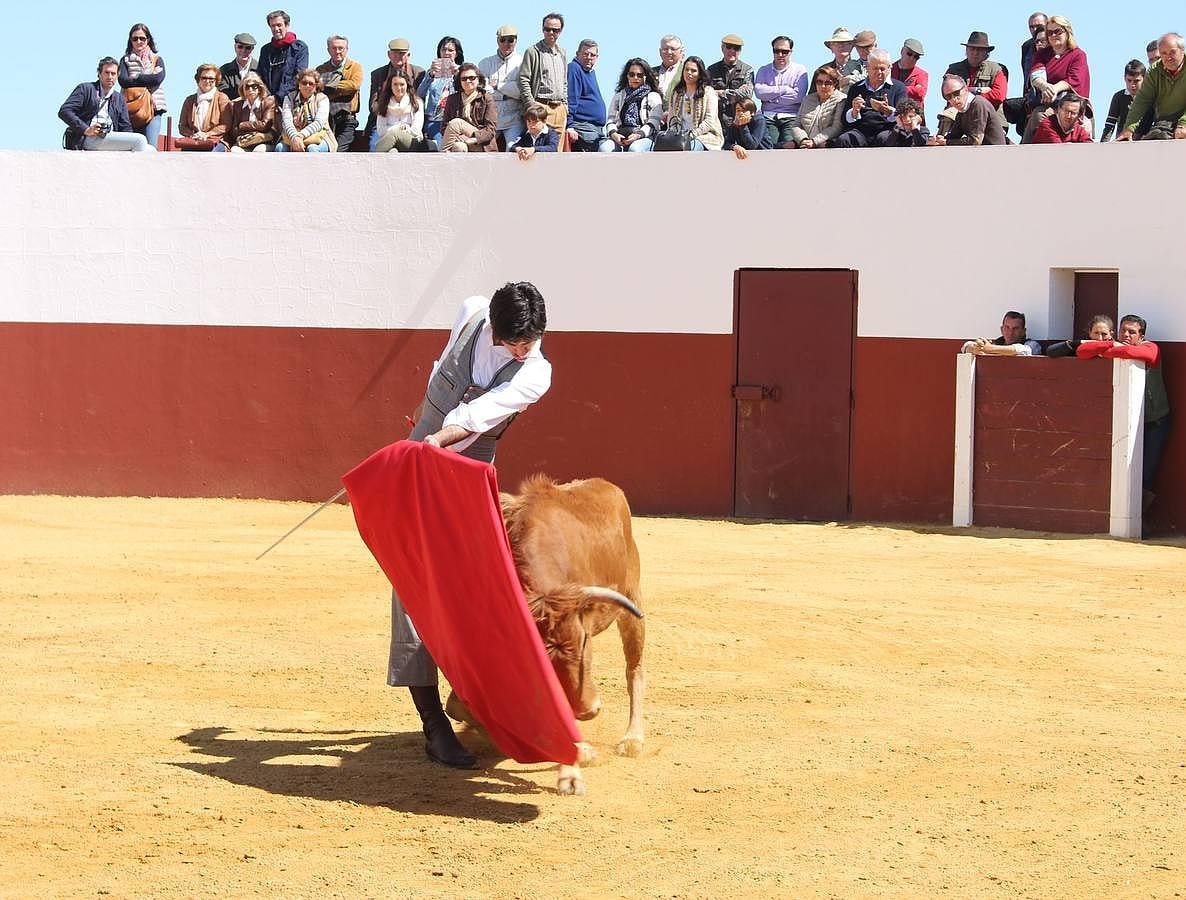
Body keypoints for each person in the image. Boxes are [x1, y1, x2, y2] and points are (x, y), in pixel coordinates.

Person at [390, 283, 551, 769]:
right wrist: (419, 430)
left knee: (485, 589)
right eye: (513, 342)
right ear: (494, 329)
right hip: (417, 469)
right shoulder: (473, 311)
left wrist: (432, 441)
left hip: (464, 479)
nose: (523, 350)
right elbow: (443, 372)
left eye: (530, 341)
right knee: (412, 587)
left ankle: (489, 700)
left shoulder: (537, 374)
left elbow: (474, 417)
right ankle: (433, 723)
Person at [1076, 315, 1170, 505]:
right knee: (1123, 469)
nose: (1126, 335)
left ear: (1141, 336)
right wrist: (1111, 346)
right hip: (1127, 420)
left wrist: (1111, 348)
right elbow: (1082, 351)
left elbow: (1144, 355)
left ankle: (1139, 519)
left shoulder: (1150, 347)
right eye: (1123, 331)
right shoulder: (1116, 346)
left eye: (1132, 332)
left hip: (1154, 420)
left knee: (1146, 472)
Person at [58, 57, 154, 151]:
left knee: (151, 150)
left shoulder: (119, 98)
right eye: (106, 73)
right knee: (140, 140)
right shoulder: (85, 89)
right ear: (99, 74)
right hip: (86, 138)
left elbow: (125, 127)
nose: (110, 77)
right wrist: (86, 129)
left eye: (113, 74)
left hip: (110, 137)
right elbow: (64, 111)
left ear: (117, 76)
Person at [1025, 15, 1091, 142]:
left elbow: (1074, 78)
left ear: (1067, 32)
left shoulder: (1078, 55)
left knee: (1084, 126)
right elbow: (1036, 74)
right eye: (1050, 32)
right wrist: (1045, 86)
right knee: (1039, 115)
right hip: (1046, 103)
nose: (1053, 35)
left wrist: (1055, 89)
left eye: (1058, 31)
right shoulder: (1042, 54)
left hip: (1072, 105)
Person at [1117, 33, 1186, 142]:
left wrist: (1183, 124)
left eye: (1172, 52)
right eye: (1164, 53)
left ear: (1182, 50)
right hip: (1165, 123)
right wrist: (1129, 128)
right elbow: (1142, 100)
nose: (1168, 57)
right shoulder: (1154, 70)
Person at [835, 49, 905, 147]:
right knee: (845, 139)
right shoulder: (856, 88)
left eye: (882, 68)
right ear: (867, 68)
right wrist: (854, 111)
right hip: (861, 132)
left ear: (889, 68)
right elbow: (845, 120)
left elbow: (904, 118)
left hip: (887, 130)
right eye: (875, 68)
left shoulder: (898, 88)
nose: (879, 72)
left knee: (885, 138)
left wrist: (888, 111)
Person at [365, 39, 426, 143]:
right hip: (383, 124)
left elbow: (420, 102)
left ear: (408, 55)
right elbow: (373, 104)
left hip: (411, 124)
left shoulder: (419, 73)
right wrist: (387, 109)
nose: (398, 56)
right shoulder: (378, 74)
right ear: (389, 54)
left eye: (402, 53)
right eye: (394, 53)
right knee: (375, 145)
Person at [754, 36, 809, 148]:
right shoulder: (763, 70)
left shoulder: (800, 70)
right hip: (768, 117)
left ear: (791, 52)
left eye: (784, 51)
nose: (780, 54)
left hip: (791, 116)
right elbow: (759, 92)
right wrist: (784, 89)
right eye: (776, 51)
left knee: (789, 147)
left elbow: (798, 96)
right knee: (769, 148)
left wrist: (770, 98)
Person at [118, 23, 167, 150]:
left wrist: (137, 77)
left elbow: (157, 79)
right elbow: (123, 81)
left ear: (148, 39)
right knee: (130, 149)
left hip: (154, 109)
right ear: (130, 40)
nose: (138, 41)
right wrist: (148, 78)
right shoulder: (125, 60)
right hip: (131, 109)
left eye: (142, 38)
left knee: (150, 148)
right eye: (135, 38)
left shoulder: (157, 59)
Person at [519, 13, 569, 136]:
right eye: (547, 29)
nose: (551, 32)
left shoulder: (562, 53)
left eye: (555, 30)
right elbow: (523, 79)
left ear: (561, 31)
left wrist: (565, 106)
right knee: (540, 149)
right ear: (543, 30)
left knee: (558, 151)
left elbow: (564, 82)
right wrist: (532, 106)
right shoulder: (533, 51)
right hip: (541, 106)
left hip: (560, 109)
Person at [660, 56, 723, 151]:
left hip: (704, 137)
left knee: (689, 148)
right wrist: (675, 135)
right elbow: (671, 119)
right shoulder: (677, 93)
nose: (689, 73)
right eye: (686, 69)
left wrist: (692, 135)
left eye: (693, 71)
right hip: (679, 136)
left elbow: (709, 121)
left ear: (700, 74)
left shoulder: (709, 92)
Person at [478, 25, 524, 149]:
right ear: (497, 40)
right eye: (503, 40)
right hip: (491, 116)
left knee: (513, 149)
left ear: (516, 41)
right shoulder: (485, 63)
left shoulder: (522, 62)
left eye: (510, 40)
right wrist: (506, 92)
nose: (506, 43)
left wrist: (498, 85)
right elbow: (482, 90)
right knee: (484, 149)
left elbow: (521, 90)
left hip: (514, 116)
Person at [601, 59, 663, 152]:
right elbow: (611, 120)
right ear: (627, 76)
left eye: (639, 75)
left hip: (646, 136)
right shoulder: (619, 96)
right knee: (605, 148)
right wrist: (614, 134)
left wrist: (639, 134)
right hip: (621, 134)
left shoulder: (653, 96)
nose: (635, 78)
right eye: (631, 74)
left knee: (635, 149)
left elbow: (654, 122)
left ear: (645, 77)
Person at [927, 74, 1007, 145]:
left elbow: (975, 140)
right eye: (948, 96)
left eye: (956, 93)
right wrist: (937, 140)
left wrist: (946, 142)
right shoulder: (962, 110)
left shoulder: (978, 104)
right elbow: (954, 136)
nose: (954, 99)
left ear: (965, 89)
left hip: (995, 156)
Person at [316, 35, 363, 151]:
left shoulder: (355, 67)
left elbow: (354, 85)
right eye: (334, 48)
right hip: (325, 119)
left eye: (341, 48)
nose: (337, 51)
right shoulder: (321, 69)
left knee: (339, 151)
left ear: (346, 49)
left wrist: (329, 86)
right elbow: (316, 89)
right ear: (328, 50)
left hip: (347, 118)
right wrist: (342, 88)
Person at [418, 36, 464, 147]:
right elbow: (420, 94)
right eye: (443, 49)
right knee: (440, 144)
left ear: (457, 53)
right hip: (434, 120)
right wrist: (430, 75)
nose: (447, 53)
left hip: (454, 119)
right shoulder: (432, 72)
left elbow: (467, 91)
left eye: (451, 50)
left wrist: (457, 74)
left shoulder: (464, 71)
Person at [441, 64, 498, 152]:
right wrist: (458, 137)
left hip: (481, 144)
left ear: (478, 79)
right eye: (464, 79)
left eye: (472, 78)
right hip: (460, 139)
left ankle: (442, 157)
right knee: (459, 147)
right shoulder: (453, 99)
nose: (468, 81)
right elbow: (444, 126)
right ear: (459, 81)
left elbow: (490, 129)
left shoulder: (487, 98)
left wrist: (472, 139)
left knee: (457, 122)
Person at [371, 70, 431, 152]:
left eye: (402, 84)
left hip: (412, 142)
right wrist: (398, 127)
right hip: (389, 141)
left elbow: (416, 130)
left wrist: (402, 130)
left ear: (407, 85)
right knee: (392, 152)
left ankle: (374, 160)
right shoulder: (384, 103)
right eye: (395, 84)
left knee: (394, 134)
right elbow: (381, 130)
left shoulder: (416, 102)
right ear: (390, 86)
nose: (398, 88)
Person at [788, 64, 846, 148]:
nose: (823, 86)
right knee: (786, 145)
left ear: (835, 84)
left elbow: (836, 127)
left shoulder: (841, 99)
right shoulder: (807, 99)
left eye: (827, 83)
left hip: (826, 140)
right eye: (819, 82)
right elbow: (796, 125)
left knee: (823, 146)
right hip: (806, 140)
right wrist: (803, 140)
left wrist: (814, 141)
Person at [276, 68, 333, 152]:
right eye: (304, 83)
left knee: (312, 148)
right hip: (292, 137)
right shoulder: (289, 98)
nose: (307, 86)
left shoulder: (322, 98)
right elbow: (286, 121)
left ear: (316, 86)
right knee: (280, 148)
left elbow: (319, 123)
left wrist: (300, 136)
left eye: (311, 84)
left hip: (319, 137)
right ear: (299, 84)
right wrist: (295, 137)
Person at [177, 64, 231, 150]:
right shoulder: (189, 100)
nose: (207, 81)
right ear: (198, 79)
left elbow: (226, 125)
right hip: (194, 140)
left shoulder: (222, 98)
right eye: (204, 78)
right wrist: (194, 135)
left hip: (216, 141)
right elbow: (182, 126)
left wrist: (207, 134)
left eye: (211, 79)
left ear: (216, 81)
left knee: (210, 156)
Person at [258, 9, 309, 101]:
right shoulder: (265, 50)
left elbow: (299, 76)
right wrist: (268, 96)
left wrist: (278, 96)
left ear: (287, 25)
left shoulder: (299, 48)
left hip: (291, 100)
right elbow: (260, 76)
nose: (276, 29)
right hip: (267, 100)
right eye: (273, 26)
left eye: (279, 25)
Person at [707, 34, 754, 130]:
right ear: (722, 48)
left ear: (740, 51)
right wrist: (735, 93)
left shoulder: (747, 70)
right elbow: (706, 93)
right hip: (716, 121)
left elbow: (747, 93)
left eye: (736, 48)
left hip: (739, 121)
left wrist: (721, 93)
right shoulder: (711, 70)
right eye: (728, 47)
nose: (732, 51)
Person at [566, 39, 607, 151]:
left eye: (592, 55)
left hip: (597, 129)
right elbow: (571, 98)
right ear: (577, 54)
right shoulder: (574, 68)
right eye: (585, 54)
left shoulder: (590, 72)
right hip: (583, 128)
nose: (589, 57)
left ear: (597, 57)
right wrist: (569, 126)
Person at [222, 73, 276, 152]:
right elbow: (234, 130)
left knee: (259, 150)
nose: (250, 90)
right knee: (235, 150)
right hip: (244, 141)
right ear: (243, 89)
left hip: (263, 141)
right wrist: (249, 132)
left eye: (254, 86)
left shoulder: (268, 102)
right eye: (247, 87)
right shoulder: (236, 105)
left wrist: (242, 125)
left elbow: (265, 125)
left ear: (259, 88)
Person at [1101, 60, 1150, 141]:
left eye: (1136, 81)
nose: (1132, 85)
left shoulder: (1150, 96)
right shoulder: (1119, 97)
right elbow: (1110, 123)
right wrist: (1103, 144)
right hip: (1123, 141)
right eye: (1129, 80)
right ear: (1124, 78)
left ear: (1144, 78)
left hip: (1146, 140)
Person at [961, 311, 1043, 356]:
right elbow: (965, 346)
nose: (1010, 332)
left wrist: (990, 349)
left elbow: (1024, 350)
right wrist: (975, 348)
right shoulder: (996, 343)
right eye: (1007, 327)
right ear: (1001, 329)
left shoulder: (1033, 344)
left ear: (1023, 331)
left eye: (1016, 328)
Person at [1045, 314, 1114, 356]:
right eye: (1096, 333)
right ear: (1090, 333)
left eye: (1104, 334)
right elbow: (1050, 351)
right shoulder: (1081, 346)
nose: (1100, 338)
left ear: (1111, 334)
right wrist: (1079, 343)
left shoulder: (1115, 347)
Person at [892, 39, 928, 117]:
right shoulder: (889, 70)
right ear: (902, 51)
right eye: (909, 54)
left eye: (916, 57)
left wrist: (897, 89)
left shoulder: (921, 74)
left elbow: (920, 93)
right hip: (892, 117)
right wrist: (912, 89)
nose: (912, 58)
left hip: (914, 118)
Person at [218, 33, 258, 101]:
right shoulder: (224, 70)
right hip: (231, 109)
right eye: (240, 47)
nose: (243, 50)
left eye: (248, 48)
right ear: (235, 47)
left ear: (252, 49)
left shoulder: (260, 69)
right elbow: (222, 94)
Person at [1020, 12, 1048, 94]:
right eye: (1031, 27)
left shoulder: (1056, 44)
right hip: (1031, 95)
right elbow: (1026, 75)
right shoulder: (1026, 46)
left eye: (1038, 26)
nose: (1034, 30)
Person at [654, 34, 686, 99]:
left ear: (680, 51)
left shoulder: (686, 71)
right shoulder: (651, 72)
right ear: (660, 52)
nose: (669, 52)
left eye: (673, 49)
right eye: (665, 49)